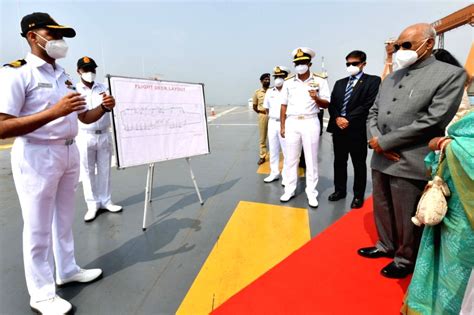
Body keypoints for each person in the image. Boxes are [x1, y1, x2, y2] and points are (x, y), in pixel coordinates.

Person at [0, 12, 115, 314]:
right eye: (52, 34)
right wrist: (53, 112)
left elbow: (83, 117)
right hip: (37, 155)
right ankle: (40, 294)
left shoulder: (63, 75)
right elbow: (2, 127)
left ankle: (67, 269)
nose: (59, 40)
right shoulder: (16, 73)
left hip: (68, 152)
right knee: (37, 228)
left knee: (64, 220)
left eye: (61, 35)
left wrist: (103, 108)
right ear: (31, 35)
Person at [358, 23, 466, 279]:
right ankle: (385, 245)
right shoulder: (393, 76)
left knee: (406, 211)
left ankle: (405, 258)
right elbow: (373, 112)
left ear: (429, 44)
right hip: (381, 155)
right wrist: (376, 140)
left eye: (406, 45)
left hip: (410, 157)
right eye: (397, 46)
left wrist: (386, 143)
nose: (400, 51)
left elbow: (433, 120)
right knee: (383, 205)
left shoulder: (449, 75)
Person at [402, 109, 474, 314]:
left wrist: (445, 144)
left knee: (460, 272)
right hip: (455, 205)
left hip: (468, 219)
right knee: (442, 259)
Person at [327, 50, 381, 209]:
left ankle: (358, 195)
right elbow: (333, 104)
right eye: (348, 64)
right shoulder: (340, 83)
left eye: (354, 63)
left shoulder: (373, 81)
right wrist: (338, 117)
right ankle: (340, 191)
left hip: (356, 129)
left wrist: (348, 119)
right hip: (338, 129)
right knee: (339, 162)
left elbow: (368, 104)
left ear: (363, 63)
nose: (351, 66)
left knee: (358, 164)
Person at [280, 47, 330, 208]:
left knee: (311, 159)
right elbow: (283, 105)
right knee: (290, 159)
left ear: (309, 63)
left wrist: (316, 98)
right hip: (292, 122)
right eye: (297, 63)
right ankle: (289, 189)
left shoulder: (320, 81)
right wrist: (282, 126)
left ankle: (311, 192)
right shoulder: (288, 83)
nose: (300, 65)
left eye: (303, 62)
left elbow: (327, 103)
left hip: (310, 121)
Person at [76, 56, 123, 222]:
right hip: (85, 135)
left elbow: (113, 106)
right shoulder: (75, 90)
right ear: (78, 71)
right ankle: (92, 205)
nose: (90, 73)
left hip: (103, 134)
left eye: (92, 69)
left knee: (105, 169)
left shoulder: (104, 88)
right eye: (86, 70)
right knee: (87, 172)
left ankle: (106, 200)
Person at [262, 66, 290, 183]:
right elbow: (266, 109)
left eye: (281, 77)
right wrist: (273, 118)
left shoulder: (289, 90)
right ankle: (274, 173)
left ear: (286, 77)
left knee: (287, 151)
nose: (278, 79)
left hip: (286, 123)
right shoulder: (269, 91)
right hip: (273, 123)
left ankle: (286, 175)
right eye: (276, 77)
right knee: (273, 149)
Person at [252, 73, 270, 165]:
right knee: (262, 137)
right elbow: (254, 106)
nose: (267, 81)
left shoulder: (273, 91)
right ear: (261, 81)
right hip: (263, 116)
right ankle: (262, 156)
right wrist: (261, 112)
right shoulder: (257, 92)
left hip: (274, 116)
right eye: (265, 79)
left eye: (268, 79)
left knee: (277, 136)